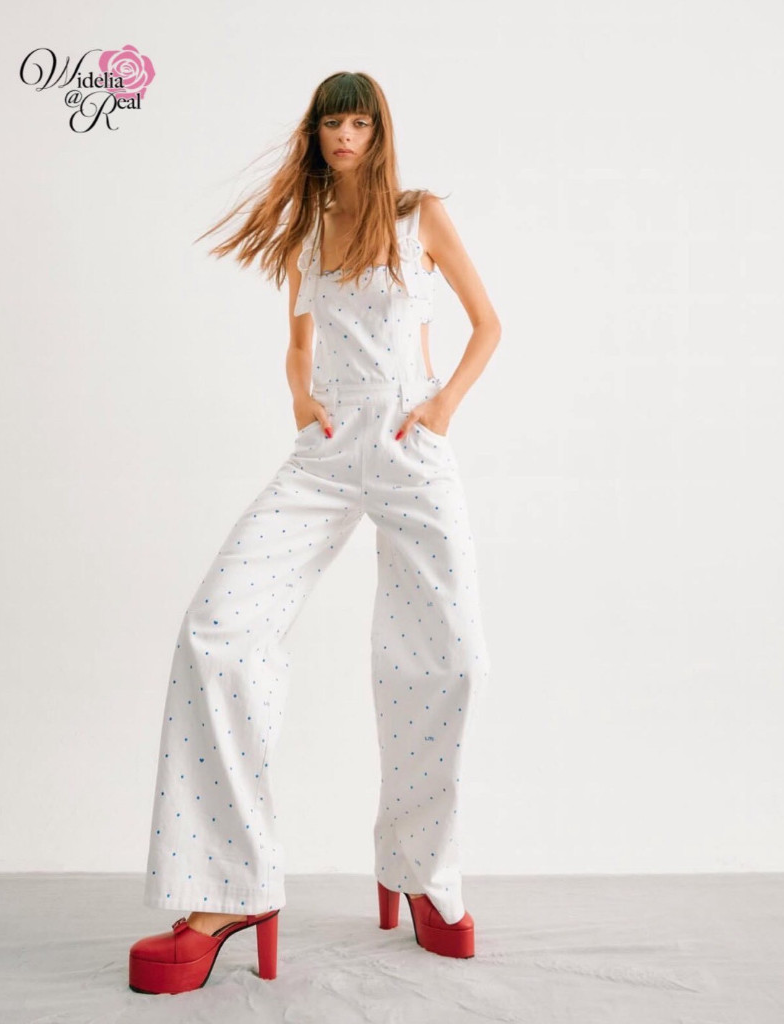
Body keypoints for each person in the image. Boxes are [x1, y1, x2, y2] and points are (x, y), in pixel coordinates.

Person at [128, 70, 500, 995]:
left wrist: (442, 407)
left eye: (359, 122)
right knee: (217, 631)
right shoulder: (305, 231)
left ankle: (421, 871)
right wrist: (301, 398)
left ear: (379, 132)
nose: (345, 136)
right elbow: (297, 345)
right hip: (328, 451)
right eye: (333, 122)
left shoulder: (419, 216)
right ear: (317, 132)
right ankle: (226, 889)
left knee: (449, 657)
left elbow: (488, 325)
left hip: (411, 442)